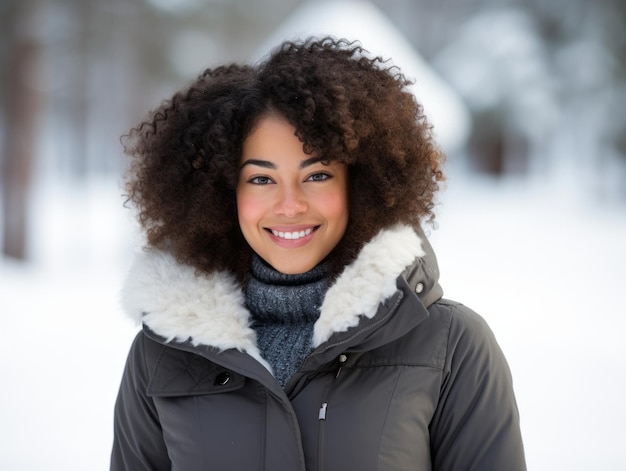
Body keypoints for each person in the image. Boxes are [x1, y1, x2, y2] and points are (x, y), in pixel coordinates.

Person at [110, 37, 526, 470]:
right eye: (261, 180)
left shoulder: (452, 346)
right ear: (220, 193)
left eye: (318, 174)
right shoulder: (161, 353)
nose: (289, 205)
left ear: (360, 184)